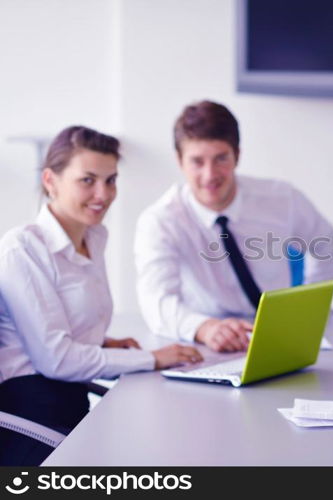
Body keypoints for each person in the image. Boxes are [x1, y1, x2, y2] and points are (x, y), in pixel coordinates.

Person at [0, 126, 203, 465]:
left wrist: (104, 342)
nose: (103, 194)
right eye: (88, 180)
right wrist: (153, 358)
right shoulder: (23, 248)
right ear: (51, 181)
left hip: (71, 399)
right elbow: (56, 359)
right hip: (32, 413)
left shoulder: (94, 237)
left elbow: (55, 322)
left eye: (111, 180)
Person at [134, 100, 333, 352]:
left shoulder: (282, 198)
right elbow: (157, 300)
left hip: (281, 336)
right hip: (208, 343)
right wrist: (205, 328)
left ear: (237, 156)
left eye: (221, 158)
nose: (210, 175)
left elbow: (326, 245)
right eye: (197, 161)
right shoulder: (160, 221)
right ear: (180, 161)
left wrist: (306, 309)